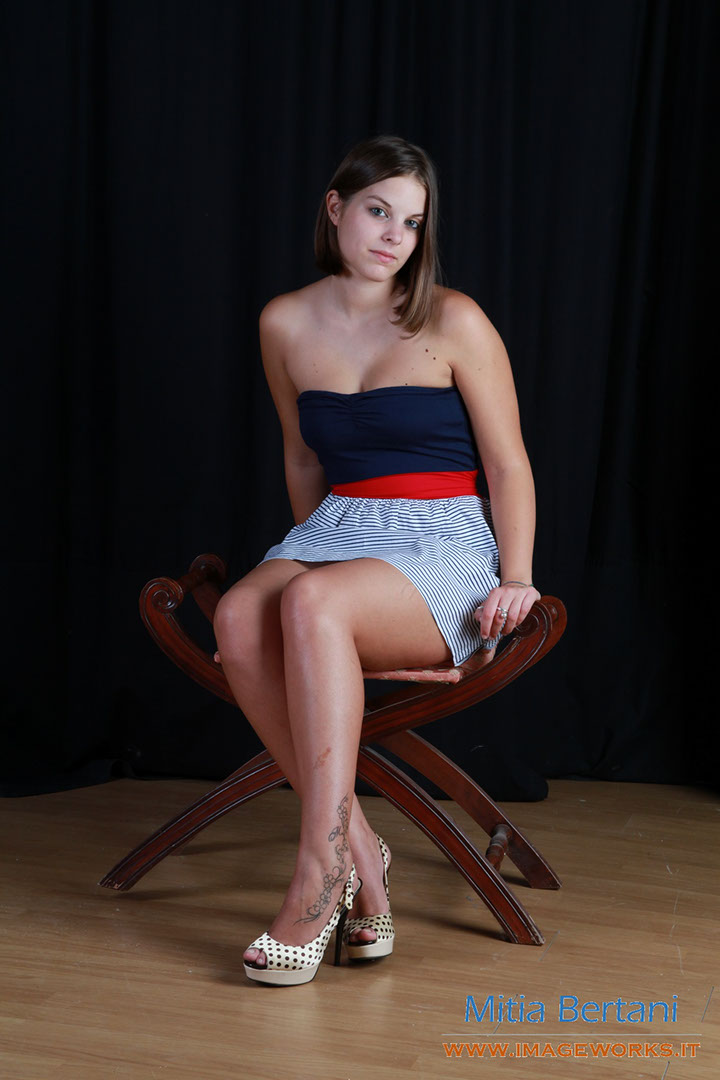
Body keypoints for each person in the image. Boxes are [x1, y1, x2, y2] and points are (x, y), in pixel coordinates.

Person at [213, 134, 540, 986]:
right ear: (336, 208)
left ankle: (317, 878)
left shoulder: (454, 319)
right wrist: (317, 559)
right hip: (338, 525)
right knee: (240, 616)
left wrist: (517, 577)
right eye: (378, 211)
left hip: (444, 535)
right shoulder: (283, 322)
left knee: (314, 605)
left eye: (413, 222)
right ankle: (362, 850)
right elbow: (301, 457)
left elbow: (508, 464)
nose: (395, 235)